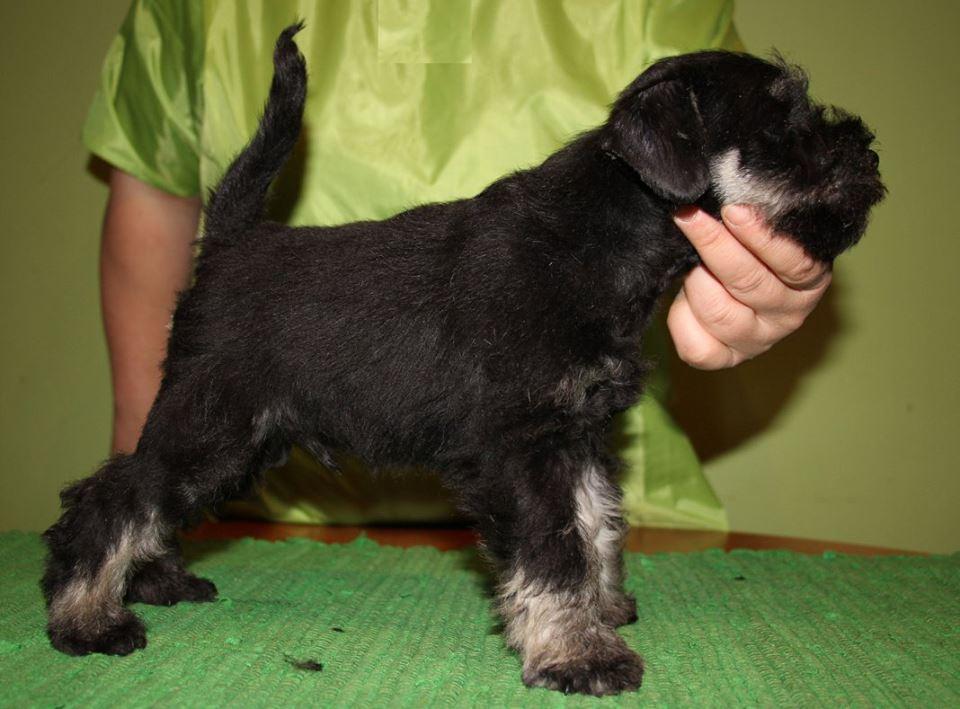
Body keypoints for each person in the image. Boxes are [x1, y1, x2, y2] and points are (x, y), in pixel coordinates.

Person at [88, 0, 830, 527]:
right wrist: (141, 462)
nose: (811, 144)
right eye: (785, 130)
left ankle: (585, 585)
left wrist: (771, 283)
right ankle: (108, 555)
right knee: (186, 460)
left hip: (661, 517)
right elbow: (151, 225)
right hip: (290, 469)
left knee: (570, 440)